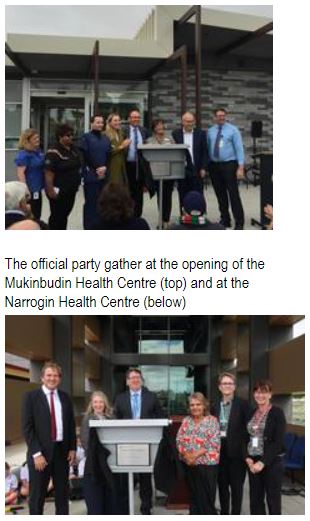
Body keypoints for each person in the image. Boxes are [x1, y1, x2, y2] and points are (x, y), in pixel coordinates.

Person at [21, 361, 76, 515]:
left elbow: (70, 424)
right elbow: (27, 428)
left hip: (62, 454)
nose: (52, 378)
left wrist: (72, 447)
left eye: (56, 375)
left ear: (60, 378)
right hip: (40, 455)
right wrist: (36, 454)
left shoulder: (65, 398)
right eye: (49, 375)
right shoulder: (30, 397)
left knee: (62, 496)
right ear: (42, 378)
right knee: (37, 496)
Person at [114, 368, 163, 515]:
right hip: (125, 442)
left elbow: (160, 417)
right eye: (132, 378)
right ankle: (125, 507)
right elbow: (115, 420)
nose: (135, 380)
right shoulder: (119, 398)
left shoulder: (152, 397)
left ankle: (146, 508)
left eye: (138, 377)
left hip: (146, 442)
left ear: (141, 380)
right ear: (127, 381)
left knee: (145, 477)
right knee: (125, 476)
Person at [245, 380, 286, 515]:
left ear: (270, 394)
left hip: (272, 462)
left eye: (264, 392)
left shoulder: (277, 413)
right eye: (257, 392)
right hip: (254, 462)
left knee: (273, 500)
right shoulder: (252, 412)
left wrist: (263, 462)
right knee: (255, 500)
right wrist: (249, 458)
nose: (260, 395)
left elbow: (277, 442)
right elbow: (248, 437)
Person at [212, 372, 250, 515]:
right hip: (219, 453)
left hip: (237, 455)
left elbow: (249, 429)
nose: (227, 386)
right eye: (224, 383)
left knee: (237, 488)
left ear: (234, 387)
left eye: (230, 383)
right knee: (222, 487)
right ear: (219, 387)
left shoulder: (243, 405)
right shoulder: (214, 405)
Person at [176, 392, 220, 515]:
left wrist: (194, 456)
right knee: (194, 498)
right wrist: (186, 456)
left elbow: (213, 442)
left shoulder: (212, 421)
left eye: (198, 404)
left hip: (207, 466)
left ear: (204, 405)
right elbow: (179, 440)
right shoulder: (186, 420)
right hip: (189, 465)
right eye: (192, 405)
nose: (195, 407)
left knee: (206, 500)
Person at [207, 107, 245, 229]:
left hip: (229, 165)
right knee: (220, 194)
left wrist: (241, 167)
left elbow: (239, 149)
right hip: (214, 166)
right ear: (214, 117)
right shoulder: (210, 131)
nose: (221, 117)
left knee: (233, 194)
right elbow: (208, 148)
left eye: (223, 115)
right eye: (219, 115)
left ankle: (239, 222)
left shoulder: (233, 130)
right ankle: (225, 219)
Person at [80, 391, 116, 514]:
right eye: (95, 402)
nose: (98, 404)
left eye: (101, 402)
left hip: (111, 458)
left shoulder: (112, 417)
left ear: (105, 403)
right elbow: (85, 440)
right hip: (94, 460)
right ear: (92, 403)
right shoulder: (87, 418)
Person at [45, 124, 82, 229]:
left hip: (70, 190)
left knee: (64, 215)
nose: (71, 137)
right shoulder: (54, 151)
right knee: (57, 216)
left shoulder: (73, 149)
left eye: (72, 135)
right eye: (68, 135)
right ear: (60, 137)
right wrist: (51, 190)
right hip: (58, 191)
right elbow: (48, 173)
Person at [79, 114, 111, 229]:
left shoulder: (106, 138)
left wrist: (105, 167)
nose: (100, 125)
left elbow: (108, 155)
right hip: (91, 175)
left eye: (101, 123)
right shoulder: (85, 137)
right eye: (97, 122)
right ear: (91, 123)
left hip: (104, 175)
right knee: (91, 203)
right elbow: (85, 155)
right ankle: (89, 227)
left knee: (104, 202)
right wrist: (97, 168)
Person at [172, 111, 208, 210]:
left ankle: (200, 216)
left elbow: (205, 152)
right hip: (182, 169)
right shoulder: (176, 134)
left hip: (197, 169)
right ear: (182, 122)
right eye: (187, 121)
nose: (189, 123)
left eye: (191, 121)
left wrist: (204, 168)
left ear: (194, 122)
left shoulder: (201, 134)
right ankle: (184, 217)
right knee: (182, 194)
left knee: (198, 195)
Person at [147, 118, 175, 228]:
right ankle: (161, 219)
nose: (160, 127)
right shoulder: (149, 140)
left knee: (168, 197)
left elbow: (175, 153)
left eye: (161, 125)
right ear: (154, 128)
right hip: (156, 173)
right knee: (160, 197)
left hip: (169, 172)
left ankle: (166, 220)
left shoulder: (170, 139)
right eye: (157, 126)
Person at [123, 109, 149, 217]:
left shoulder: (144, 131)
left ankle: (137, 216)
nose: (136, 119)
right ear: (129, 119)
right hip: (127, 165)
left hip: (140, 165)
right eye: (134, 117)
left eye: (138, 117)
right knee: (127, 191)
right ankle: (127, 214)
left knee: (139, 193)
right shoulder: (124, 130)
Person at [15, 129, 45, 220]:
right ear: (28, 140)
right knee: (32, 215)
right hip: (30, 190)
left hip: (37, 189)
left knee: (37, 214)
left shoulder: (37, 151)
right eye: (35, 138)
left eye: (38, 137)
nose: (38, 140)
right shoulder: (23, 155)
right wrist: (25, 190)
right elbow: (20, 174)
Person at [105, 113, 131, 185]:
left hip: (122, 167)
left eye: (119, 120)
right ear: (109, 122)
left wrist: (127, 146)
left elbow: (123, 151)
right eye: (115, 120)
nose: (118, 122)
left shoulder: (121, 134)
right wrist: (122, 146)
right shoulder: (105, 134)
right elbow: (108, 152)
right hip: (111, 167)